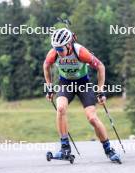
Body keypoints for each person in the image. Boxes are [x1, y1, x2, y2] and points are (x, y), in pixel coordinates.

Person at [43, 28, 120, 162]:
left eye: (60, 49)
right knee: (60, 109)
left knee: (92, 118)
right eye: (56, 49)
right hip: (66, 83)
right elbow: (46, 65)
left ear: (68, 45)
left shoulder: (81, 52)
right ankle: (65, 148)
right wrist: (49, 87)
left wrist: (100, 90)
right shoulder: (54, 53)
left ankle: (108, 149)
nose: (58, 52)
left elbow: (100, 66)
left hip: (83, 84)